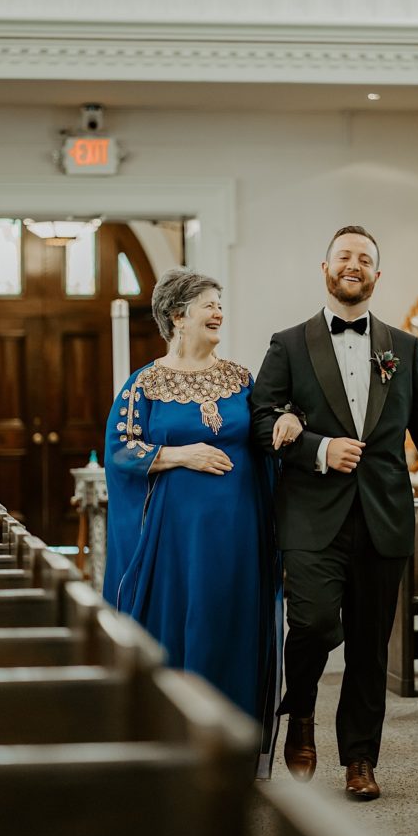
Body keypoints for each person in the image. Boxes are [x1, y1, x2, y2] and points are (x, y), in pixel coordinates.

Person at [251, 226, 418, 800]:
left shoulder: (402, 348)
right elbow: (259, 424)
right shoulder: (288, 344)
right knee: (312, 623)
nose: (354, 265)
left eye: (365, 259)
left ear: (377, 275)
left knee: (369, 648)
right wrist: (317, 448)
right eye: (344, 256)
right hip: (310, 515)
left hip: (384, 517)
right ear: (324, 267)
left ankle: (360, 760)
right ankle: (299, 708)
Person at [103, 268, 301, 777]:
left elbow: (263, 427)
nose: (219, 313)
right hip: (174, 537)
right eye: (209, 305)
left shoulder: (240, 379)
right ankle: (176, 743)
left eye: (220, 304)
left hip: (239, 531)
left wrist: (287, 419)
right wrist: (180, 454)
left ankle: (233, 748)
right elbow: (122, 452)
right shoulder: (143, 384)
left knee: (232, 623)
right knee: (182, 622)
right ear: (177, 316)